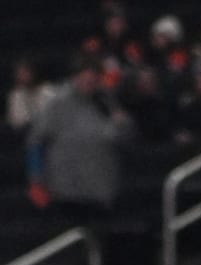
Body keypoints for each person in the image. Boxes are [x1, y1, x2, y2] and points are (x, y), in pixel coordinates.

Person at [25, 55, 133, 218]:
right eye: (85, 79)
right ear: (75, 77)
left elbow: (121, 136)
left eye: (93, 80)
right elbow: (36, 140)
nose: (89, 84)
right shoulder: (57, 103)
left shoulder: (106, 101)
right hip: (66, 189)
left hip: (101, 188)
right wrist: (36, 179)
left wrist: (122, 122)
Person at [6, 57, 56, 133]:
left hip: (47, 133)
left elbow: (52, 118)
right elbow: (15, 121)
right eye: (19, 74)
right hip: (22, 134)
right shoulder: (16, 95)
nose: (21, 77)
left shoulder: (49, 92)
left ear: (34, 73)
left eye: (25, 73)